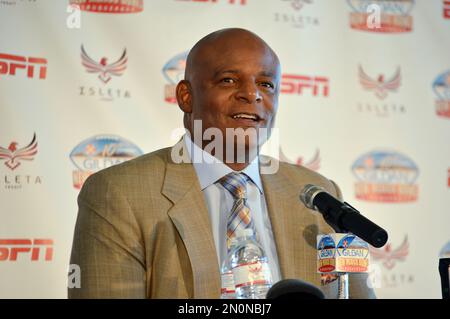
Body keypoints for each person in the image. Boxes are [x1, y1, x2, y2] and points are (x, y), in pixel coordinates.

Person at [68, 28, 375, 299]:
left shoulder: (318, 194)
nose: (251, 94)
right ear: (186, 97)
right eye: (228, 80)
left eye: (266, 84)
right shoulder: (118, 194)